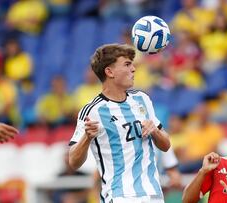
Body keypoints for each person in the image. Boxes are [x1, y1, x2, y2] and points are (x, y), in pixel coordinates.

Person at [68, 44, 171, 203]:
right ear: (109, 72)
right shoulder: (92, 110)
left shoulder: (142, 99)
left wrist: (155, 131)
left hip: (153, 194)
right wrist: (87, 138)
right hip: (119, 196)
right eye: (127, 64)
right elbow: (73, 162)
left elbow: (166, 145)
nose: (134, 69)